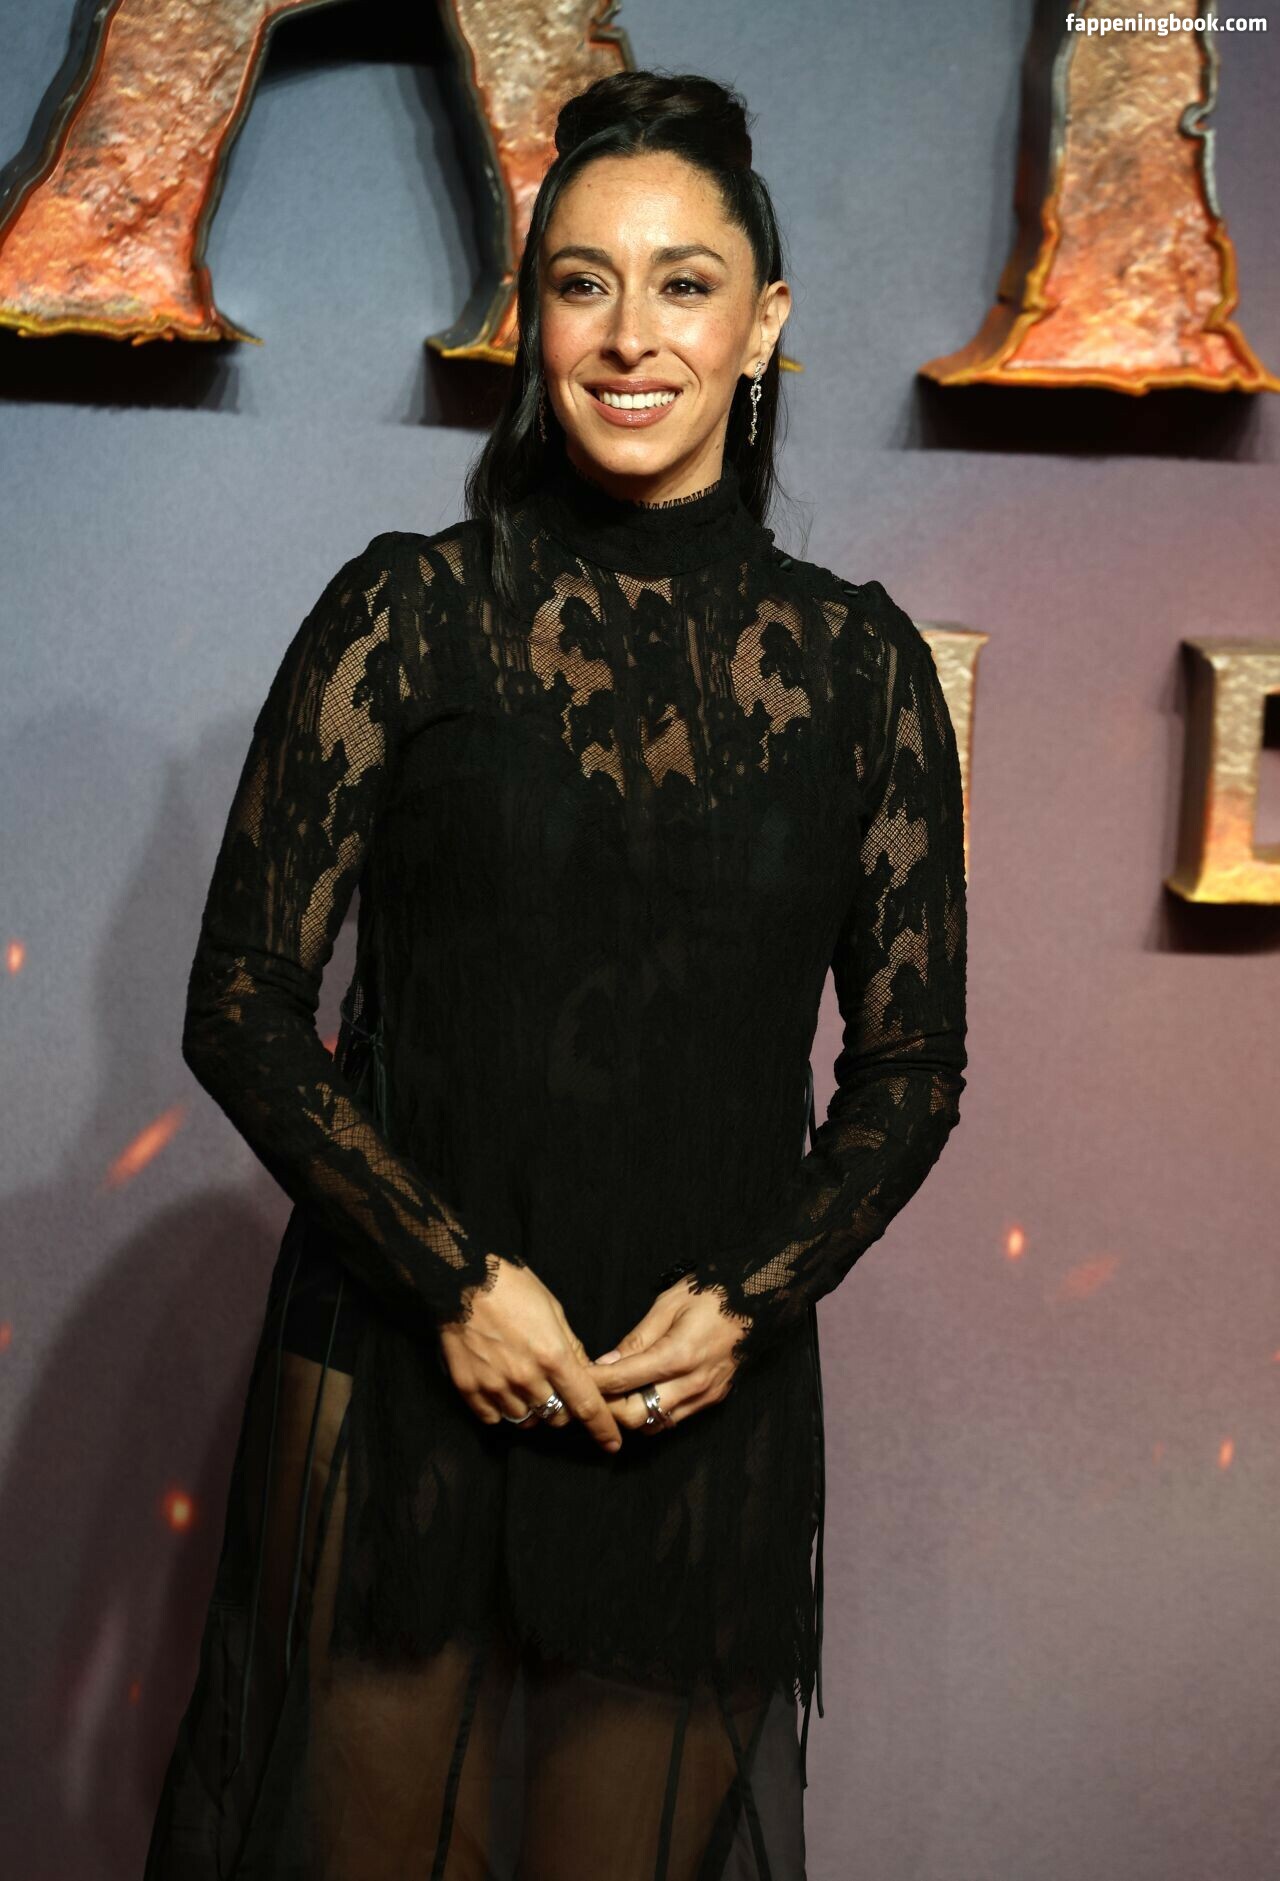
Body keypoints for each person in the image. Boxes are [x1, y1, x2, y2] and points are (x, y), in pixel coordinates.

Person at [142, 66, 968, 1881]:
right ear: (534, 320)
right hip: (398, 1363)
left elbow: (913, 1069)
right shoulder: (406, 611)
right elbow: (242, 1001)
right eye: (583, 282)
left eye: (685, 283)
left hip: (692, 1399)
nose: (630, 334)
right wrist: (450, 1278)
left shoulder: (862, 670)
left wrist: (747, 1301)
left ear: (766, 323)